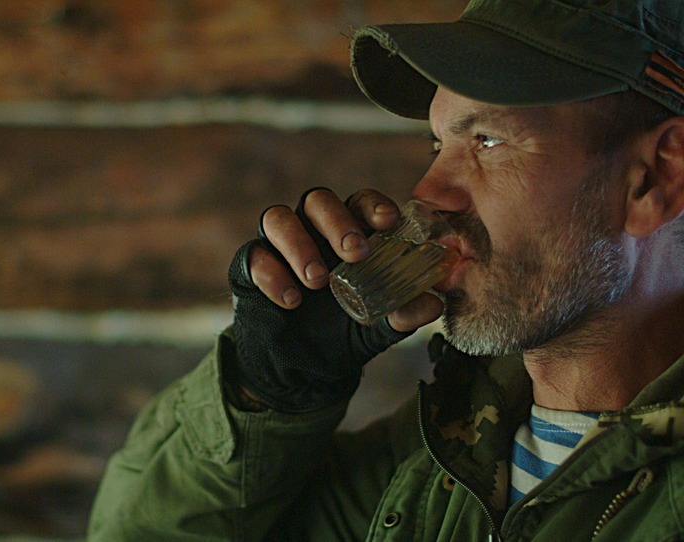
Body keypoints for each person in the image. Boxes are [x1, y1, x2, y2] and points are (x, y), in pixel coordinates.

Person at [87, 0, 684, 539]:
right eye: (437, 146)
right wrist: (267, 389)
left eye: (488, 141)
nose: (428, 193)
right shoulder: (443, 456)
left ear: (656, 178)